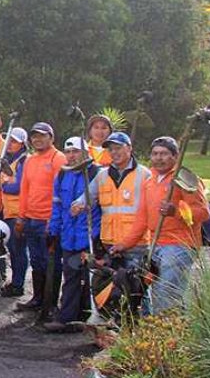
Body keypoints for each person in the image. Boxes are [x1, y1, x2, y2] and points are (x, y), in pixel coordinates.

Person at [109, 136, 210, 314]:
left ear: (175, 156)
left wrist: (177, 212)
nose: (159, 158)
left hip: (180, 244)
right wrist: (123, 244)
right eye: (155, 154)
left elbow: (203, 212)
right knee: (151, 290)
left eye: (164, 154)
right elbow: (142, 219)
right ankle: (162, 331)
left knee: (166, 292)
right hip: (156, 244)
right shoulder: (150, 180)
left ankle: (168, 336)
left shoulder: (184, 179)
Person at [44, 137, 101, 332]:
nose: (71, 155)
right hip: (69, 237)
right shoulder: (62, 175)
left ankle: (94, 318)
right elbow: (57, 205)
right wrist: (53, 229)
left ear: (85, 152)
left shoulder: (97, 173)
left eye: (75, 151)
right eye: (68, 152)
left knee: (94, 279)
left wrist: (98, 236)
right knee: (71, 276)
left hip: (91, 237)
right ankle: (67, 318)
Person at [70, 131, 150, 262]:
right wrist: (78, 204)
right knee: (106, 281)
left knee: (134, 282)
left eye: (118, 148)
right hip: (109, 244)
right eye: (110, 149)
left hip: (137, 245)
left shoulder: (144, 174)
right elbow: (88, 196)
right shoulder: (102, 175)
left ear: (129, 148)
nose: (114, 152)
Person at [15, 122, 66, 312]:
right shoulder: (30, 160)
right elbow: (24, 189)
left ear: (51, 138)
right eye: (34, 136)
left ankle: (50, 303)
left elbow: (60, 192)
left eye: (42, 136)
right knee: (36, 261)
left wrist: (53, 221)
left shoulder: (58, 158)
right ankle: (37, 298)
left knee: (50, 262)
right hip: (30, 219)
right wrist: (21, 217)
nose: (38, 139)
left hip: (48, 220)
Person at [0, 127, 30, 298]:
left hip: (19, 212)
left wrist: (2, 185)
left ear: (22, 144)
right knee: (13, 249)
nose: (10, 144)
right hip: (8, 211)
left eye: (14, 141)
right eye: (9, 140)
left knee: (18, 249)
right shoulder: (9, 159)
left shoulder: (24, 161)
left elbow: (19, 187)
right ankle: (16, 281)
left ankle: (18, 284)